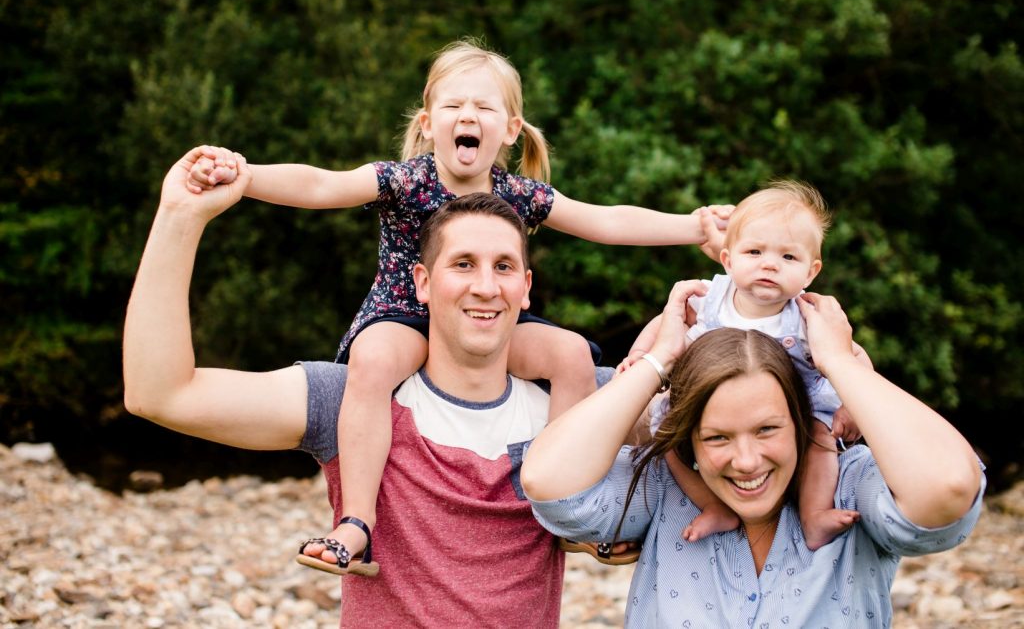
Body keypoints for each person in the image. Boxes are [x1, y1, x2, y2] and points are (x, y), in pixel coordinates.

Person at [186, 39, 730, 573]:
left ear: (510, 129)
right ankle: (357, 520)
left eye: (484, 107)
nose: (468, 115)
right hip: (405, 315)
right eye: (454, 105)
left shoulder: (518, 193)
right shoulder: (403, 180)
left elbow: (605, 220)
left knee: (570, 354)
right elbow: (321, 185)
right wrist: (248, 176)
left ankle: (570, 506)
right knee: (372, 361)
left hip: (489, 318)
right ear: (428, 123)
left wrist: (694, 226)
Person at [123, 149, 633, 626]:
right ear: (422, 283)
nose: (485, 287)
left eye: (503, 267)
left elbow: (682, 414)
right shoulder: (349, 399)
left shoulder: (581, 408)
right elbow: (161, 394)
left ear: (525, 288)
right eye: (462, 264)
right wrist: (179, 216)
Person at [521, 279, 984, 627]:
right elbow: (549, 482)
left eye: (767, 429)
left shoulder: (850, 486)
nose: (746, 461)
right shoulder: (664, 485)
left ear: (801, 420)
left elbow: (948, 487)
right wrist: (657, 360)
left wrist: (840, 363)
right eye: (717, 438)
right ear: (690, 439)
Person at [618, 181, 870, 550]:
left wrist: (853, 405)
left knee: (821, 439)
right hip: (712, 404)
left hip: (796, 405)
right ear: (728, 259)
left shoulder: (806, 315)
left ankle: (814, 514)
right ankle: (713, 505)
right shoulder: (712, 297)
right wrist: (642, 354)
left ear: (811, 272)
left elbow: (853, 355)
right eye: (754, 251)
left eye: (789, 257)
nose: (769, 264)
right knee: (668, 437)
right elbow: (666, 321)